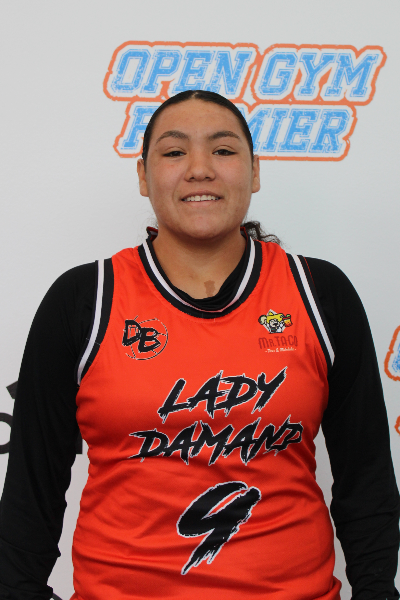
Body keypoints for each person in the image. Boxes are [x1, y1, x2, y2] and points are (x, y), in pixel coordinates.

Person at [0, 89, 398, 600]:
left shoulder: (319, 293)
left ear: (255, 172)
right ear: (143, 177)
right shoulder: (84, 299)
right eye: (174, 151)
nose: (200, 169)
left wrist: (378, 591)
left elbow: (366, 478)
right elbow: (32, 489)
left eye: (223, 150)